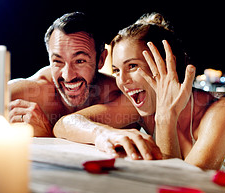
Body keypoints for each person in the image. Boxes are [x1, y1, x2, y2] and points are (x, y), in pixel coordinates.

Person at [54, 13, 225, 170]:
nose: (121, 81)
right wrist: (102, 134)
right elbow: (64, 124)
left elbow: (183, 186)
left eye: (132, 66)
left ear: (165, 63)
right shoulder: (140, 105)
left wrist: (166, 118)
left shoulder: (224, 111)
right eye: (116, 70)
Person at [8, 12, 142, 137]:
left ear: (101, 60)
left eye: (79, 61)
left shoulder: (122, 96)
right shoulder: (28, 94)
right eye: (58, 61)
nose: (68, 76)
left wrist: (47, 134)